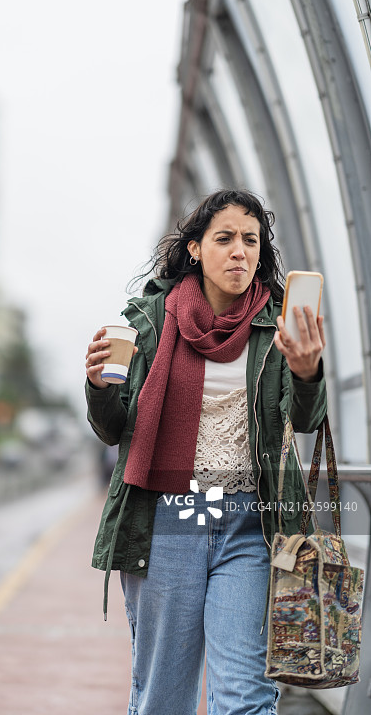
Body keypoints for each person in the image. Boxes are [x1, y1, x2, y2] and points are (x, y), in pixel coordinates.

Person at [84, 189, 327, 715]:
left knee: (245, 694)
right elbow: (112, 430)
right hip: (166, 519)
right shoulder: (149, 320)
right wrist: (99, 387)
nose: (240, 251)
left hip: (251, 525)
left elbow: (304, 421)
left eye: (251, 240)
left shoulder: (279, 323)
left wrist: (308, 371)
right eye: (225, 238)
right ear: (195, 248)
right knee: (163, 697)